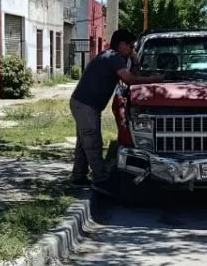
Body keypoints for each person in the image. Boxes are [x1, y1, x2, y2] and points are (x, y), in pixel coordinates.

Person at [69, 29, 165, 190]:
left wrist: (134, 62)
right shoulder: (113, 56)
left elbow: (130, 76)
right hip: (86, 105)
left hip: (83, 103)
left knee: (83, 142)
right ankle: (101, 179)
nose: (132, 49)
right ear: (121, 44)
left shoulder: (113, 56)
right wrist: (155, 80)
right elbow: (129, 80)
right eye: (130, 46)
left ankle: (78, 176)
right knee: (92, 142)